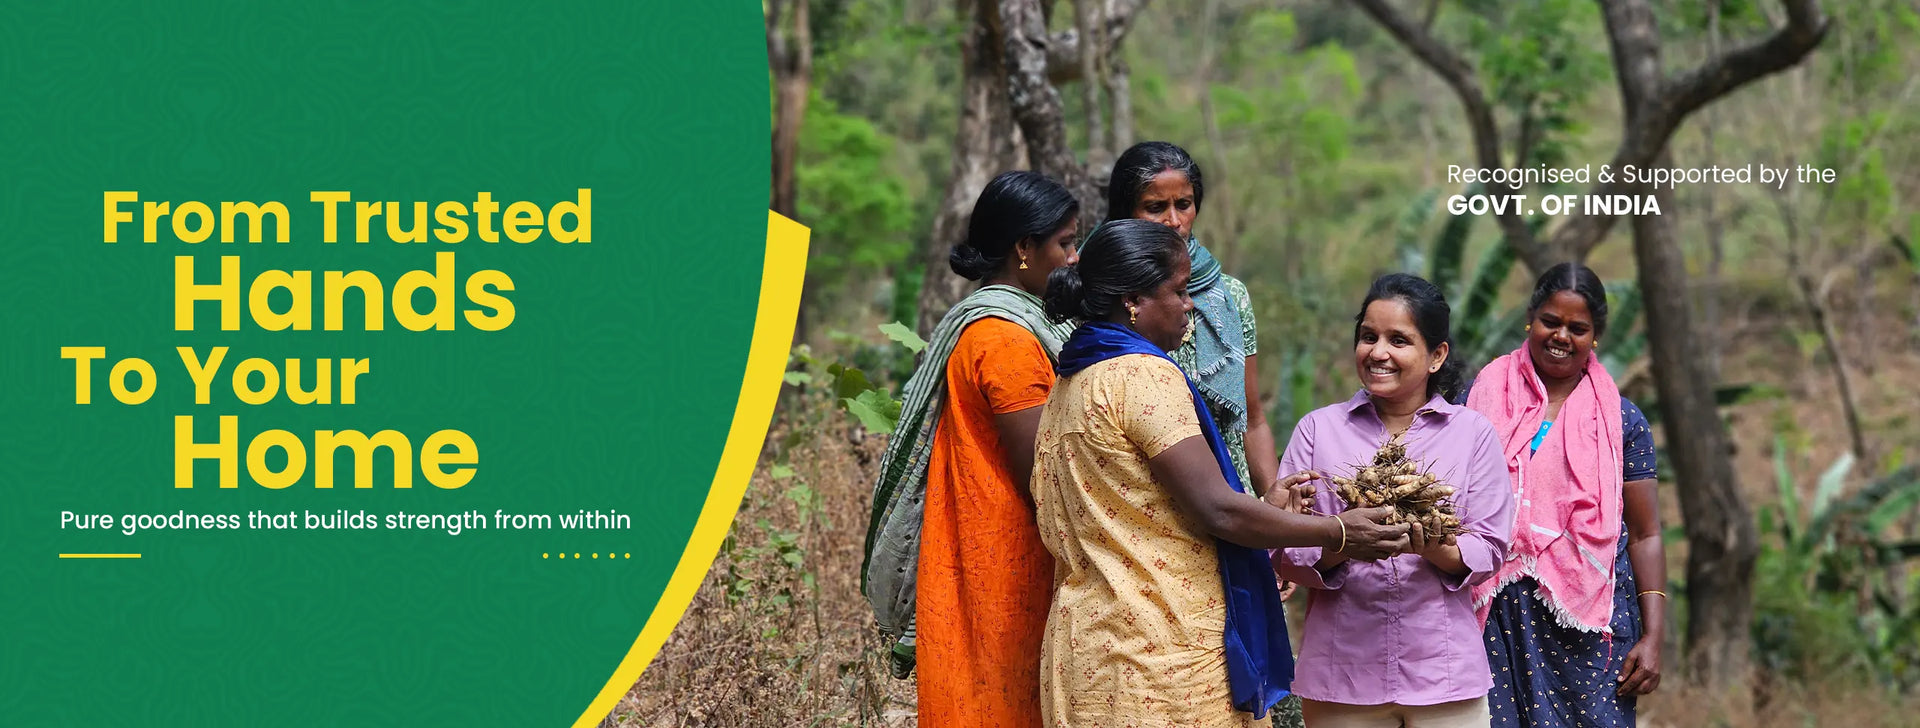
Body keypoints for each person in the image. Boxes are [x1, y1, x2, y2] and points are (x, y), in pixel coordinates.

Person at [1030, 219, 1410, 727]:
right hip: (1161, 657)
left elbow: (1141, 511)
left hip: (1086, 651)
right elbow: (1217, 510)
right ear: (1133, 301)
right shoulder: (1142, 375)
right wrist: (1338, 531)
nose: (1189, 305)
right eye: (1179, 291)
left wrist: (1265, 510)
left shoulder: (1070, 384)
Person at [859, 170, 1083, 727]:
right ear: (1024, 248)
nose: (1074, 258)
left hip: (981, 551)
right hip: (1007, 566)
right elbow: (1043, 479)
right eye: (1065, 243)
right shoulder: (1006, 340)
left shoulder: (999, 324)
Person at [1274, 273, 1515, 728]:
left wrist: (1433, 547)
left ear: (1436, 356)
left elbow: (1490, 547)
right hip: (1342, 678)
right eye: (1368, 337)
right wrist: (1343, 540)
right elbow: (1285, 551)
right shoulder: (1318, 430)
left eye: (1398, 340)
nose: (1378, 352)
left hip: (1443, 677)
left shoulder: (1472, 434)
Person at [1466, 263, 1666, 727]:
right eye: (1550, 322)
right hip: (1494, 617)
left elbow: (1646, 533)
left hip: (1589, 630)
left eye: (1578, 328)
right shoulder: (1478, 399)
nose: (1561, 336)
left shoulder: (1622, 421)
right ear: (1530, 319)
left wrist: (1654, 636)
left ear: (1595, 337)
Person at [1107, 142, 1279, 495]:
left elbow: (1252, 420)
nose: (1174, 221)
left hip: (1231, 492)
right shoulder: (1101, 294)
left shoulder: (1228, 296)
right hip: (1142, 497)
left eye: (1183, 205)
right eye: (1155, 207)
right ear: (1126, 213)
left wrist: (1275, 505)